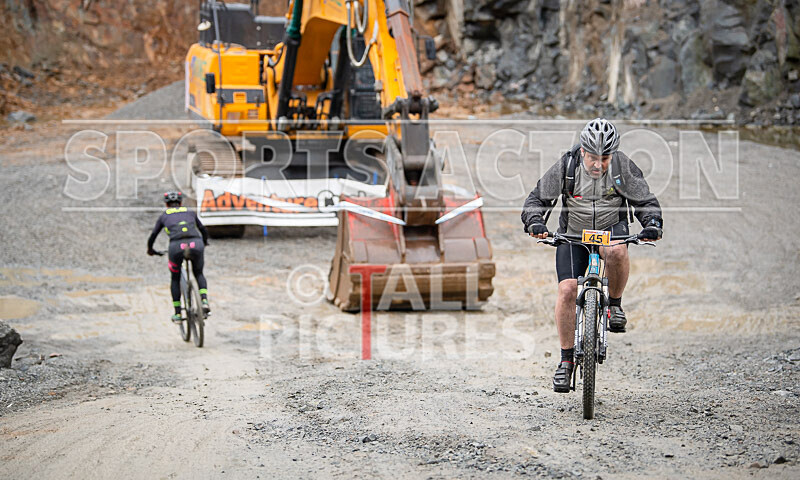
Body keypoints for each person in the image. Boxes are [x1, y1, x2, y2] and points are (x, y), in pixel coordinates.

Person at [521, 118, 663, 393]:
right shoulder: (567, 165)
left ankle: (615, 305)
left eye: (605, 158)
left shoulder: (623, 168)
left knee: (617, 249)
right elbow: (536, 200)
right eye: (593, 158)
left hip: (611, 229)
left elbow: (645, 201)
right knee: (567, 290)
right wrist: (535, 223)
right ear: (583, 151)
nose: (598, 164)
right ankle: (565, 361)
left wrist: (652, 224)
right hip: (574, 234)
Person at [147, 191, 211, 322]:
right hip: (196, 243)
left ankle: (178, 313)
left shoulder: (164, 216)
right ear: (181, 203)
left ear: (166, 204)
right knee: (199, 273)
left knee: (175, 278)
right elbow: (203, 229)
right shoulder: (189, 211)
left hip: (176, 246)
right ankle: (204, 300)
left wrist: (151, 250)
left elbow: (153, 235)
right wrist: (204, 242)